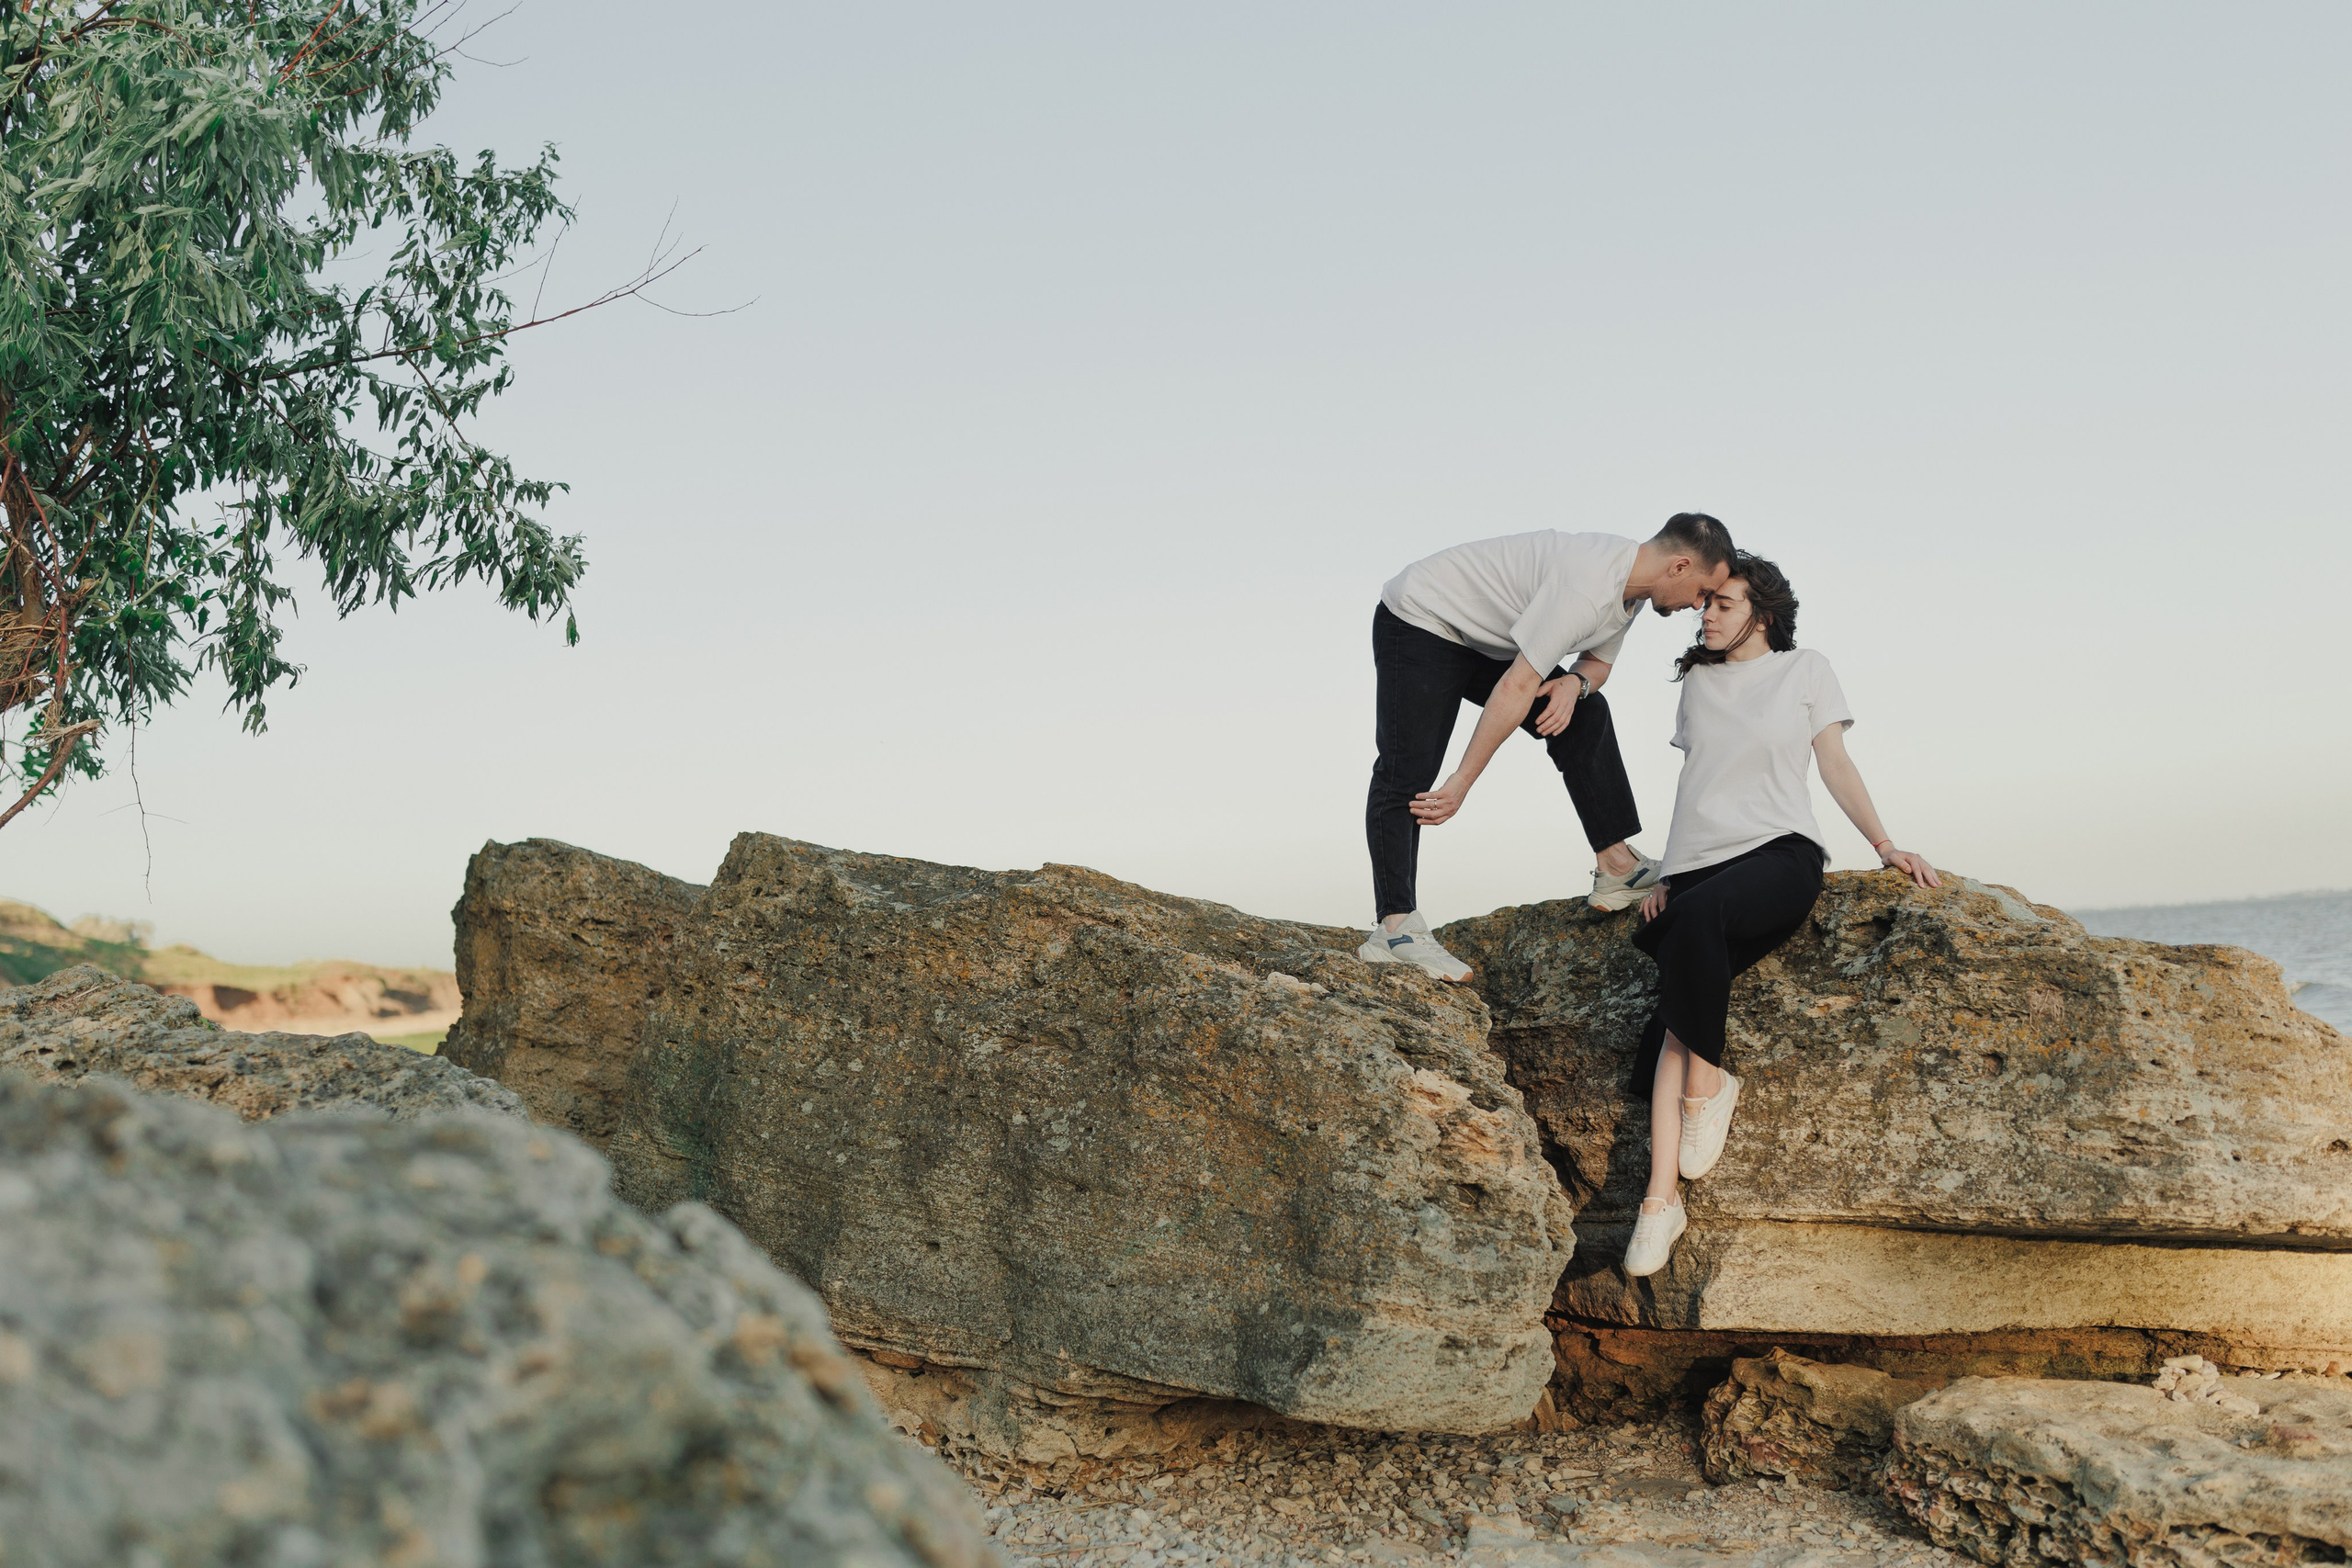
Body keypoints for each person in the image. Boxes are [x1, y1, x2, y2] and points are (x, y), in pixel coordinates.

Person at [1621, 553, 1939, 1277]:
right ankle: (1658, 1199)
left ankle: (1708, 1089)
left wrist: (1885, 844)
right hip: (1700, 868)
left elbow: (1833, 764)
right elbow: (1695, 781)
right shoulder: (1697, 684)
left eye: (1723, 604)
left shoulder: (1804, 670)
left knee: (1691, 946)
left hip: (1777, 854)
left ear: (1762, 614)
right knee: (1675, 1010)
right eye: (1704, 604)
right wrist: (1670, 874)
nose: (1706, 615)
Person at [1361, 514, 1736, 980]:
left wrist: (1574, 683)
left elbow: (1598, 664)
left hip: (1488, 642)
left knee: (1587, 712)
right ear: (1680, 566)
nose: (1700, 606)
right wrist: (1461, 782)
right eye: (1703, 592)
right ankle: (1395, 929)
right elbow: (1517, 688)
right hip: (1422, 618)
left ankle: (1616, 864)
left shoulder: (1630, 591)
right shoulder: (1587, 586)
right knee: (1407, 769)